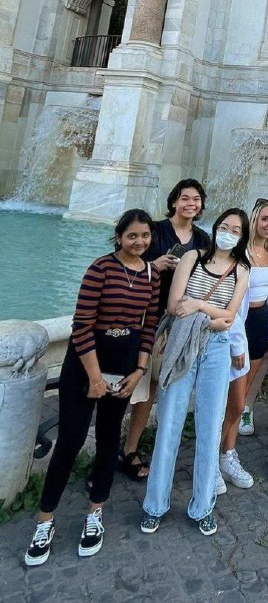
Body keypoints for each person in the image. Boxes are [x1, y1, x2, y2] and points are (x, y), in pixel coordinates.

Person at [25, 210, 160, 566]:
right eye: (132, 236)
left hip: (126, 366)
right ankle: (45, 520)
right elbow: (82, 325)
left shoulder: (150, 274)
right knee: (69, 441)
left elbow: (149, 328)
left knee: (109, 440)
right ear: (119, 237)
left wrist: (140, 370)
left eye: (145, 236)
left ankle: (95, 511)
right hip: (87, 365)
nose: (140, 242)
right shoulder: (100, 269)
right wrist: (96, 378)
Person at [140, 209, 250, 537]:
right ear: (215, 229)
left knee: (209, 427)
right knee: (169, 424)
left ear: (242, 236)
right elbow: (174, 305)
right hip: (181, 345)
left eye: (235, 230)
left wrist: (199, 306)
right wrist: (209, 316)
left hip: (215, 350)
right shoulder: (192, 257)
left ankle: (203, 506)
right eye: (224, 226)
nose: (228, 232)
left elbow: (228, 318)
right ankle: (154, 505)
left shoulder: (241, 269)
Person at [122, 179, 210, 481]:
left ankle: (133, 449)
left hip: (179, 324)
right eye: (185, 198)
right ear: (174, 201)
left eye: (196, 199)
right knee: (131, 384)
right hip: (146, 317)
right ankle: (118, 449)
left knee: (155, 386)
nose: (190, 204)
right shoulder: (155, 230)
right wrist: (154, 265)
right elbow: (128, 262)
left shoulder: (202, 238)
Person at [218, 199, 268, 491]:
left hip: (257, 329)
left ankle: (227, 454)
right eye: (265, 219)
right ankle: (217, 456)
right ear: (254, 220)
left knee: (239, 402)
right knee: (231, 400)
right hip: (236, 328)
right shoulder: (239, 253)